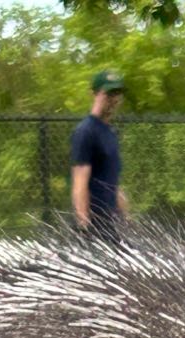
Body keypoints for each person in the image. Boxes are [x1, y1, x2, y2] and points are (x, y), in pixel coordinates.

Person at [71, 70, 128, 241]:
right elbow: (79, 182)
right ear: (94, 94)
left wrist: (126, 217)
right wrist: (84, 225)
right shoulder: (86, 131)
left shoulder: (110, 132)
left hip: (111, 222)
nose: (114, 99)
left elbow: (113, 182)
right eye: (108, 93)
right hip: (94, 226)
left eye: (117, 93)